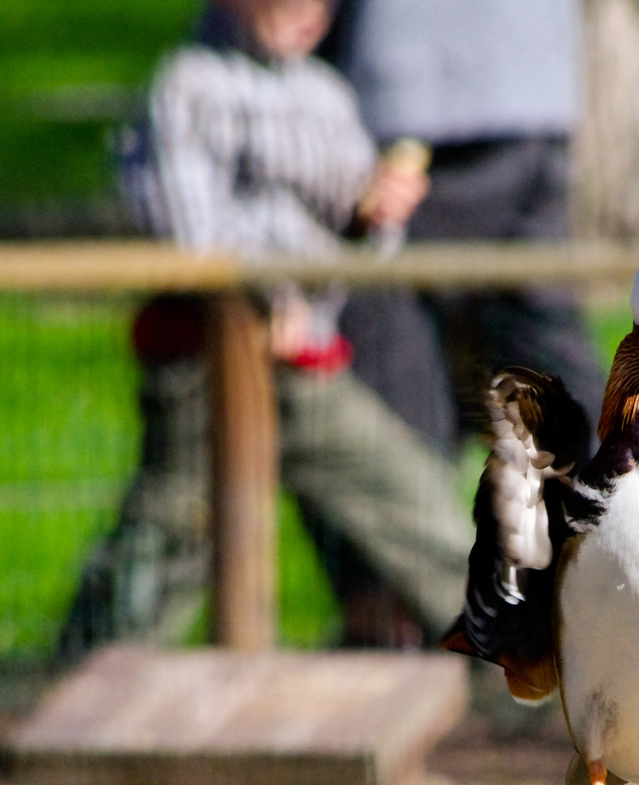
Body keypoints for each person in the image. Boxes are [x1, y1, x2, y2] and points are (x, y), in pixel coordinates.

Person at [59, 0, 472, 657]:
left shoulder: (325, 96)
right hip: (204, 365)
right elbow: (192, 232)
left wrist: (375, 215)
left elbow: (352, 237)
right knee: (174, 531)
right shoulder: (190, 86)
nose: (304, 12)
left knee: (414, 505)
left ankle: (524, 667)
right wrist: (264, 300)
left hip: (303, 358)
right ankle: (86, 672)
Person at [319, 0, 607, 455]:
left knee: (395, 354)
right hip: (525, 82)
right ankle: (620, 501)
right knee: (537, 336)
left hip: (410, 91)